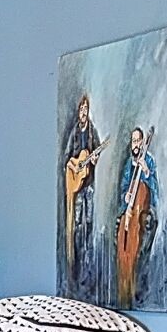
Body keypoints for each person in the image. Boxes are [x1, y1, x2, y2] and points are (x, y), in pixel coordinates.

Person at [61, 95, 106, 299]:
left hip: (89, 185)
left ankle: (87, 269)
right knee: (78, 225)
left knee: (88, 222)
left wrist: (93, 160)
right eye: (81, 109)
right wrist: (74, 164)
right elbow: (67, 158)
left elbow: (96, 153)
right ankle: (77, 266)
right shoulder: (74, 133)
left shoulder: (92, 131)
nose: (83, 112)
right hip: (77, 187)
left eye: (86, 109)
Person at [114, 127, 160, 306]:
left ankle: (137, 287)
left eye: (138, 140)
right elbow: (124, 188)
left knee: (140, 246)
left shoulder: (149, 161)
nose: (135, 144)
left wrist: (146, 172)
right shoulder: (128, 165)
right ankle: (123, 286)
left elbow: (155, 190)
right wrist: (126, 195)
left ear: (142, 142)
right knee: (121, 242)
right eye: (133, 141)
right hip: (129, 213)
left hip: (144, 215)